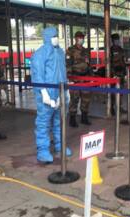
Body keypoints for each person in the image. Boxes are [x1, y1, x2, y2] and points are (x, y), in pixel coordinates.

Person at [31, 27, 72, 164]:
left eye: (57, 35)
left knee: (59, 121)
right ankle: (43, 150)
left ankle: (60, 145)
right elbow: (38, 75)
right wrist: (43, 93)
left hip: (60, 90)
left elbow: (63, 72)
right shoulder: (40, 54)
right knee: (44, 122)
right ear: (47, 37)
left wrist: (65, 91)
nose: (56, 38)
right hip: (47, 93)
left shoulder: (60, 52)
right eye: (54, 36)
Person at [67, 31, 92, 127]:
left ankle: (84, 117)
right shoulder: (70, 50)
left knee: (86, 98)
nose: (81, 39)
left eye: (82, 37)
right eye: (80, 37)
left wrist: (91, 76)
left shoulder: (86, 51)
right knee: (74, 98)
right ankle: (72, 119)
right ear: (75, 39)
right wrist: (70, 77)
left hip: (85, 77)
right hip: (75, 77)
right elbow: (68, 64)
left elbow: (89, 64)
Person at [110, 33, 126, 115]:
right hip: (114, 73)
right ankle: (112, 107)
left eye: (118, 39)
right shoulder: (110, 50)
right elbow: (109, 63)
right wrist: (113, 73)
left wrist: (125, 71)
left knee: (121, 91)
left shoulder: (121, 49)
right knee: (113, 92)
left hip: (121, 73)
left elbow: (123, 61)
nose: (117, 41)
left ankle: (119, 107)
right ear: (112, 40)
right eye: (115, 39)